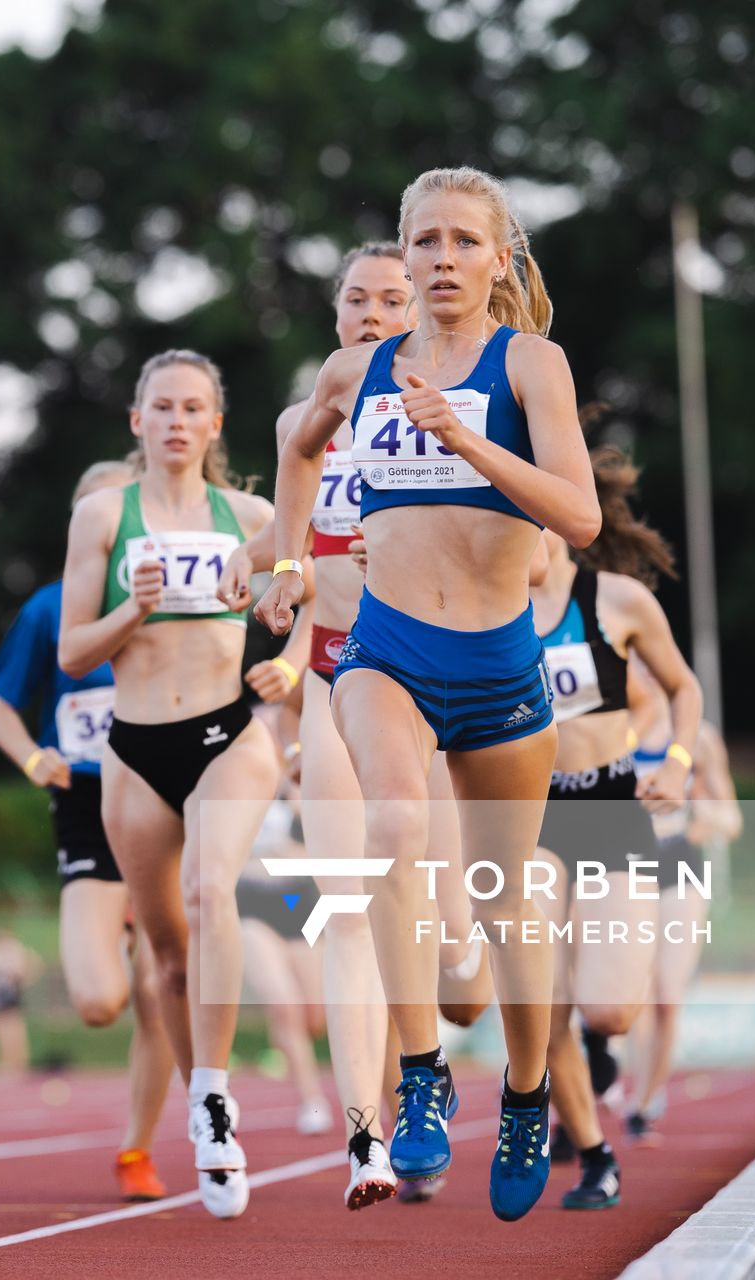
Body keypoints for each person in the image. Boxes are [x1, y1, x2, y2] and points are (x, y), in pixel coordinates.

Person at [255, 165, 600, 1224]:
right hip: (385, 647)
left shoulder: (529, 362)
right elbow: (296, 440)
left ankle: (530, 1091)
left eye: (463, 240)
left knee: (506, 903)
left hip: (497, 662)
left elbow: (578, 515)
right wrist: (281, 554)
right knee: (394, 824)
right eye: (425, 240)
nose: (442, 257)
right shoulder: (357, 369)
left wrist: (464, 437)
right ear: (400, 255)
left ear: (500, 259)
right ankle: (419, 1075)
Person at [222, 241, 494, 1210]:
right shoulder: (306, 420)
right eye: (358, 298)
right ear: (336, 315)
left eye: (393, 295)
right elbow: (280, 544)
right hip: (338, 679)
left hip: (441, 679)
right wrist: (252, 566)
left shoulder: (460, 403)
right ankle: (366, 1141)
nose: (376, 311)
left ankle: (459, 966)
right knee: (346, 908)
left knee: (453, 949)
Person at [60, 349, 280, 1219]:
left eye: (195, 407)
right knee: (166, 960)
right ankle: (204, 1112)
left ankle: (217, 1090)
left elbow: (318, 596)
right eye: (164, 407)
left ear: (216, 425)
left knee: (208, 888)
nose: (179, 421)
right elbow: (72, 652)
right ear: (137, 421)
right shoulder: (103, 516)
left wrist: (290, 656)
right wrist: (133, 608)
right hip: (136, 744)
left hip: (229, 734)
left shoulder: (254, 514)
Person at [0, 457, 176, 1202]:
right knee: (100, 1003)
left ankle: (138, 1150)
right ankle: (128, 938)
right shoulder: (48, 609)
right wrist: (33, 757)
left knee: (162, 989)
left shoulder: (173, 597)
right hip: (87, 811)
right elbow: (1, 707)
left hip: (162, 805)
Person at [527, 445, 702, 1209]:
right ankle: (595, 1154)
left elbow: (683, 686)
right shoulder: (472, 609)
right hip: (523, 820)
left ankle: (600, 1048)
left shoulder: (617, 601)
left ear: (563, 523)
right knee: (538, 1003)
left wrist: (681, 761)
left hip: (608, 808)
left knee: (609, 1010)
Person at [623, 667, 740, 1139]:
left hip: (680, 871)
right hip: (624, 869)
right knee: (634, 995)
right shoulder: (613, 731)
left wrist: (694, 816)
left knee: (668, 996)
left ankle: (646, 1102)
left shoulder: (699, 740)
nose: (646, 677)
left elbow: (731, 818)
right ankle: (628, 1083)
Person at [237, 782, 335, 1137]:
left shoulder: (301, 783)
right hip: (252, 907)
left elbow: (331, 848)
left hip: (299, 904)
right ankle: (312, 1101)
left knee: (315, 1018)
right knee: (284, 1005)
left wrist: (299, 804)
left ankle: (287, 1037)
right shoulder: (232, 785)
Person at [0, 927, 41, 1077]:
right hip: (2, 994)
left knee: (8, 1028)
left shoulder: (6, 950)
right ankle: (15, 1062)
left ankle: (13, 1062)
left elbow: (28, 965)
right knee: (11, 1027)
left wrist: (24, 978)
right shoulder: (8, 949)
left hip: (4, 994)